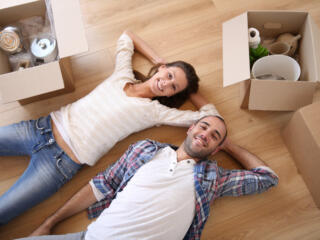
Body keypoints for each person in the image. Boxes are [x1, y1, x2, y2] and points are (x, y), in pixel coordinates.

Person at [0, 30, 221, 225]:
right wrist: (158, 59)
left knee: (4, 211)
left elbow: (211, 116)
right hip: (40, 128)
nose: (165, 83)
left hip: (59, 165)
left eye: (173, 87)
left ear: (173, 94)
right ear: (162, 68)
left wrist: (189, 90)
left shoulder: (156, 112)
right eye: (169, 75)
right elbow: (127, 36)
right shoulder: (122, 74)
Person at [23, 115, 279, 240]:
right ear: (191, 127)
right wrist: (49, 223)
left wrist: (228, 144)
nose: (205, 134)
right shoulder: (145, 148)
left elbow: (267, 177)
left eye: (214, 136)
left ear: (216, 149)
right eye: (203, 127)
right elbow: (101, 185)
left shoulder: (213, 178)